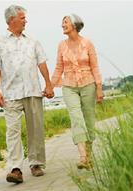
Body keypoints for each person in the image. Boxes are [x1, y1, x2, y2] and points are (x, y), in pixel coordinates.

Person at [0, 5, 54, 183]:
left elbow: (41, 63)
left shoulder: (33, 41)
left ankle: (36, 163)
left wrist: (48, 84)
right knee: (12, 131)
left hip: (33, 90)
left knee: (36, 129)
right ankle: (15, 169)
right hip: (10, 94)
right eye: (22, 17)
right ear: (12, 20)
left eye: (25, 17)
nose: (26, 20)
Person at [51, 14, 103, 169]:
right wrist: (50, 85)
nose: (62, 25)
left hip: (88, 84)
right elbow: (59, 67)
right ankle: (82, 156)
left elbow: (95, 66)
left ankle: (88, 157)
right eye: (62, 22)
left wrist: (99, 88)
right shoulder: (61, 45)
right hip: (69, 86)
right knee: (76, 117)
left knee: (88, 120)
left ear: (74, 24)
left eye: (65, 22)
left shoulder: (87, 43)